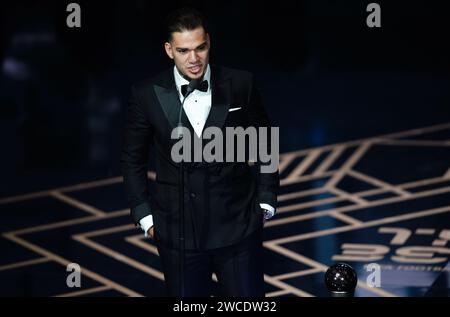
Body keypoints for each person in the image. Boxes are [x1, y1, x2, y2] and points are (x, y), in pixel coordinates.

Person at [121, 7, 279, 297]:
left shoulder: (240, 83)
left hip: (237, 228)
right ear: (169, 50)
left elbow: (264, 140)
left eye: (200, 48)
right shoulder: (146, 94)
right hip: (177, 234)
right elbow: (133, 159)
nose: (193, 59)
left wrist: (266, 199)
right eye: (183, 51)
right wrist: (145, 216)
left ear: (209, 42)